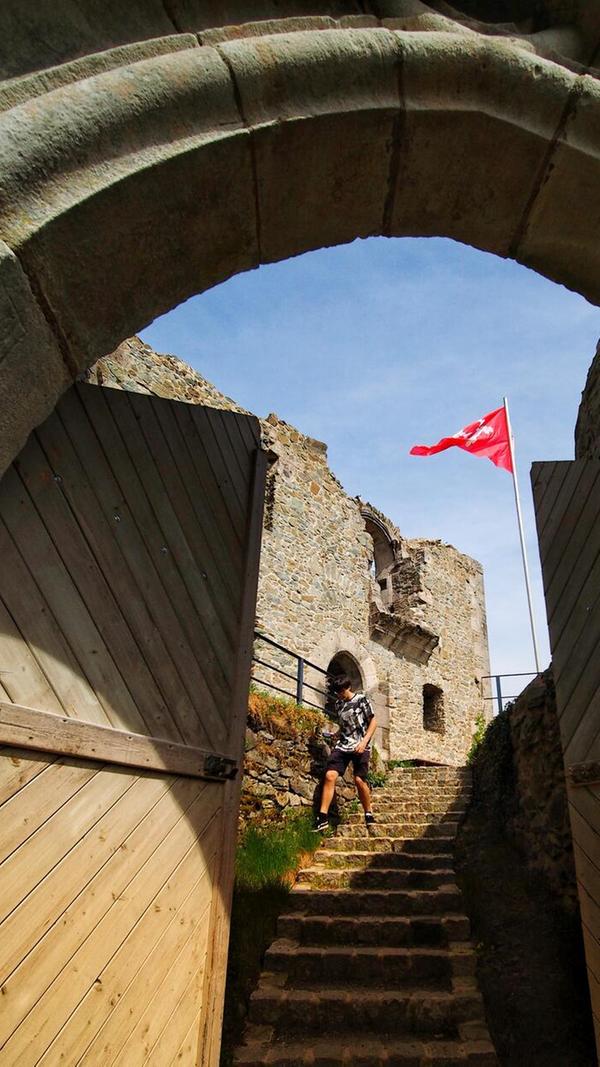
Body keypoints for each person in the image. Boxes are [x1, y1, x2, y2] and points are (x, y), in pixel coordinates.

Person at [316, 675, 377, 832]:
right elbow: (344, 726)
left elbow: (373, 722)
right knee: (330, 776)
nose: (339, 695)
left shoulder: (362, 700)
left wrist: (364, 742)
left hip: (360, 745)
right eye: (337, 692)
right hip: (343, 745)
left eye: (341, 692)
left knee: (359, 780)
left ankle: (368, 812)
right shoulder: (338, 704)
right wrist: (333, 735)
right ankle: (322, 818)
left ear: (348, 688)